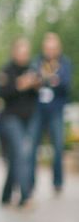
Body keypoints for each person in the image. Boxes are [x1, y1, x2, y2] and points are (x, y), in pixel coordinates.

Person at [0, 37, 38, 207]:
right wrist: (20, 85)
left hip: (28, 119)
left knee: (15, 159)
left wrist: (35, 85)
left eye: (27, 52)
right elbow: (1, 93)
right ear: (14, 52)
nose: (24, 55)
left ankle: (6, 195)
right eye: (21, 51)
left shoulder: (32, 69)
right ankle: (26, 196)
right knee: (22, 154)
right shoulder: (7, 71)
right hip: (11, 119)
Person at [29, 32, 72, 195]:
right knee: (33, 147)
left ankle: (58, 183)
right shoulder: (36, 61)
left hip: (56, 111)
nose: (50, 51)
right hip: (38, 110)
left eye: (53, 48)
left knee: (58, 147)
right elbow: (34, 80)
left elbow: (65, 84)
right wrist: (50, 78)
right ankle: (30, 183)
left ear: (58, 48)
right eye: (48, 48)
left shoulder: (65, 62)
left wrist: (47, 79)